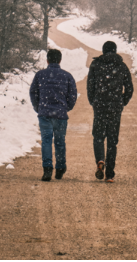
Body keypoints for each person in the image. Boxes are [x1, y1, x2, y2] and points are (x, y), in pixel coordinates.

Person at [87, 40, 133, 183]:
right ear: (115, 50)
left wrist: (93, 102)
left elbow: (90, 87)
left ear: (103, 50)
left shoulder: (96, 65)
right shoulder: (121, 66)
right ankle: (110, 174)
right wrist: (121, 102)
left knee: (98, 137)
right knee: (112, 141)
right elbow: (129, 88)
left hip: (100, 106)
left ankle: (100, 160)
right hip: (115, 107)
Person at [29, 48, 78, 182]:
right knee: (60, 141)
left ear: (47, 60)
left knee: (46, 140)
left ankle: (47, 168)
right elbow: (73, 94)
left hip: (44, 113)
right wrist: (66, 107)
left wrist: (38, 107)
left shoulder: (40, 75)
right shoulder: (67, 76)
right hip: (61, 115)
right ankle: (60, 167)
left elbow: (33, 92)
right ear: (60, 60)